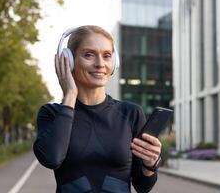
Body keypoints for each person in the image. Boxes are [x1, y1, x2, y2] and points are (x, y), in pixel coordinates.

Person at [33, 25, 162, 193]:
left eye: (107, 56)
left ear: (114, 63)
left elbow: (142, 186)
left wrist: (150, 164)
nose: (100, 64)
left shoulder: (131, 113)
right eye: (89, 55)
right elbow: (52, 158)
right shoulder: (52, 114)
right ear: (69, 60)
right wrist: (70, 94)